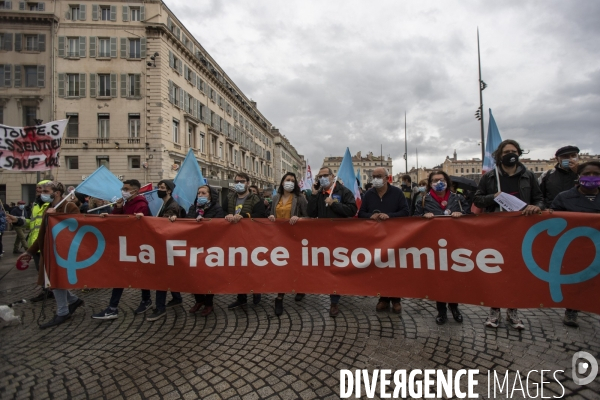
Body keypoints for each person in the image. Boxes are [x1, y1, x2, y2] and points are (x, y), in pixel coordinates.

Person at [474, 139, 544, 330]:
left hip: (521, 231)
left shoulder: (528, 176)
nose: (510, 154)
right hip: (495, 230)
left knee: (516, 271)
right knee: (495, 270)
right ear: (500, 155)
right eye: (506, 151)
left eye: (514, 151)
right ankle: (494, 310)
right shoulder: (489, 177)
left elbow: (539, 199)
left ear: (519, 153)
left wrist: (535, 207)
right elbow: (478, 200)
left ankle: (513, 310)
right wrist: (493, 197)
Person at [19, 182, 84, 328]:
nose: (42, 193)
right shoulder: (48, 208)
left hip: (63, 252)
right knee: (52, 279)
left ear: (57, 193)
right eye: (42, 191)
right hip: (49, 250)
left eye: (46, 191)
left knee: (54, 279)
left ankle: (63, 312)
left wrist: (59, 217)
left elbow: (79, 226)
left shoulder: (69, 207)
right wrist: (30, 251)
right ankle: (73, 301)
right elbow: (42, 233)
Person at [414, 171, 470, 324]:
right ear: (430, 183)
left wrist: (462, 215)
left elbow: (470, 216)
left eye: (441, 179)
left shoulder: (457, 198)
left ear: (447, 181)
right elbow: (414, 219)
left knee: (454, 277)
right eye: (435, 180)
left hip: (454, 244)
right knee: (438, 279)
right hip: (434, 246)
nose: (439, 182)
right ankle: (441, 311)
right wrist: (422, 218)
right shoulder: (423, 200)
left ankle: (454, 307)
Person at [92, 180, 152, 320]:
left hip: (135, 246)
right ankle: (116, 307)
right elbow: (119, 221)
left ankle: (141, 301)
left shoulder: (141, 205)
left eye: (126, 188)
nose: (123, 190)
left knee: (135, 275)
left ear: (135, 191)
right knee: (121, 275)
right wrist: (117, 209)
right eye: (123, 188)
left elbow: (130, 225)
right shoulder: (127, 203)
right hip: (126, 245)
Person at [550, 161, 600, 328]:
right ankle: (572, 308)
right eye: (587, 174)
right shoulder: (564, 197)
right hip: (574, 247)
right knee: (576, 278)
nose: (591, 177)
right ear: (579, 176)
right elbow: (553, 220)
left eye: (596, 174)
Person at [307, 167, 358, 317]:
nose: (322, 178)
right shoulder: (319, 193)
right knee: (328, 268)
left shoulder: (343, 191)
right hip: (323, 237)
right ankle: (333, 297)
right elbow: (311, 213)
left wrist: (333, 203)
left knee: (338, 268)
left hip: (340, 237)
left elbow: (352, 210)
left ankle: (335, 299)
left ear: (332, 176)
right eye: (320, 176)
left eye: (325, 176)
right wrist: (314, 195)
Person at [358, 167, 409, 314]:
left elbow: (406, 211)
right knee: (380, 269)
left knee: (394, 269)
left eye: (379, 176)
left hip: (395, 237)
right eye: (373, 176)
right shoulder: (368, 194)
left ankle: (396, 299)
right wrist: (370, 216)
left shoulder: (397, 193)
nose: (375, 179)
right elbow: (361, 213)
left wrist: (390, 216)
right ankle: (383, 298)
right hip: (376, 238)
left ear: (387, 178)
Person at [223, 172, 267, 309]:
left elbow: (260, 215)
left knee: (252, 266)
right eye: (236, 181)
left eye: (241, 181)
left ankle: (255, 290)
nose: (239, 184)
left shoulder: (255, 199)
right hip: (234, 239)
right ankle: (241, 297)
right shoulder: (229, 198)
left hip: (251, 238)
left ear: (248, 183)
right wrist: (227, 216)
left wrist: (243, 216)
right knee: (238, 268)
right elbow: (222, 212)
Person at [267, 172, 308, 316]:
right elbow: (271, 214)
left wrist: (299, 218)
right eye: (287, 180)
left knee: (295, 265)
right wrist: (271, 216)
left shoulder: (300, 198)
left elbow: (307, 216)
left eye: (292, 180)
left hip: (294, 238)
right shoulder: (275, 197)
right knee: (281, 267)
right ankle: (280, 297)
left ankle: (300, 287)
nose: (290, 182)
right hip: (279, 238)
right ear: (282, 182)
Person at [181, 184, 225, 316]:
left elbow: (219, 226)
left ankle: (208, 303)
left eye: (203, 193)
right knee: (194, 276)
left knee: (209, 276)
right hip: (194, 246)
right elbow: (186, 222)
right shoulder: (193, 208)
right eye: (199, 193)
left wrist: (206, 223)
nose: (200, 195)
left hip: (210, 247)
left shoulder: (217, 209)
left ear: (210, 195)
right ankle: (198, 300)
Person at [147, 179, 184, 321]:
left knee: (161, 277)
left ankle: (160, 307)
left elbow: (162, 226)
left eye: (162, 187)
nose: (159, 189)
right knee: (169, 273)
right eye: (158, 187)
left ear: (169, 190)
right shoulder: (166, 204)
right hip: (167, 246)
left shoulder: (172, 206)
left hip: (167, 246)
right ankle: (177, 297)